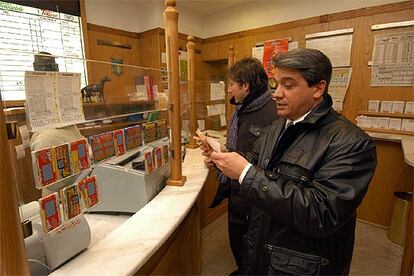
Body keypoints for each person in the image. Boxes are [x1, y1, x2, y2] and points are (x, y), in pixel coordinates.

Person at [203, 48, 377, 275]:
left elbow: (322, 213)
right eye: (276, 85)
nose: (276, 94)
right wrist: (223, 157)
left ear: (318, 88)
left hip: (299, 264)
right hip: (263, 246)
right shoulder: (278, 126)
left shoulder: (352, 143)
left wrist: (246, 172)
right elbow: (255, 161)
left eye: (289, 85)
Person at [206, 57, 277, 275]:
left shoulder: (271, 113)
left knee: (250, 240)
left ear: (245, 86)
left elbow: (263, 158)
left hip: (253, 194)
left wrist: (225, 157)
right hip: (236, 188)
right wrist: (220, 155)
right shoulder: (243, 107)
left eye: (231, 85)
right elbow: (239, 148)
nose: (228, 91)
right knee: (237, 237)